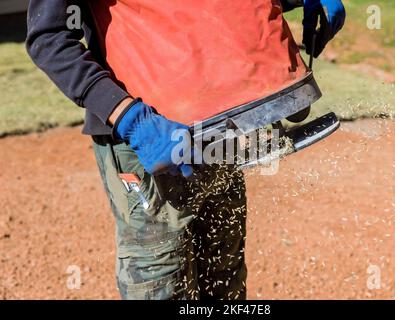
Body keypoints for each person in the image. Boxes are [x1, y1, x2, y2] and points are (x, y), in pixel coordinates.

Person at [26, 0, 345, 300]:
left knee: (224, 270)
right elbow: (49, 40)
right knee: (162, 276)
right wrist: (130, 118)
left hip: (227, 117)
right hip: (146, 133)